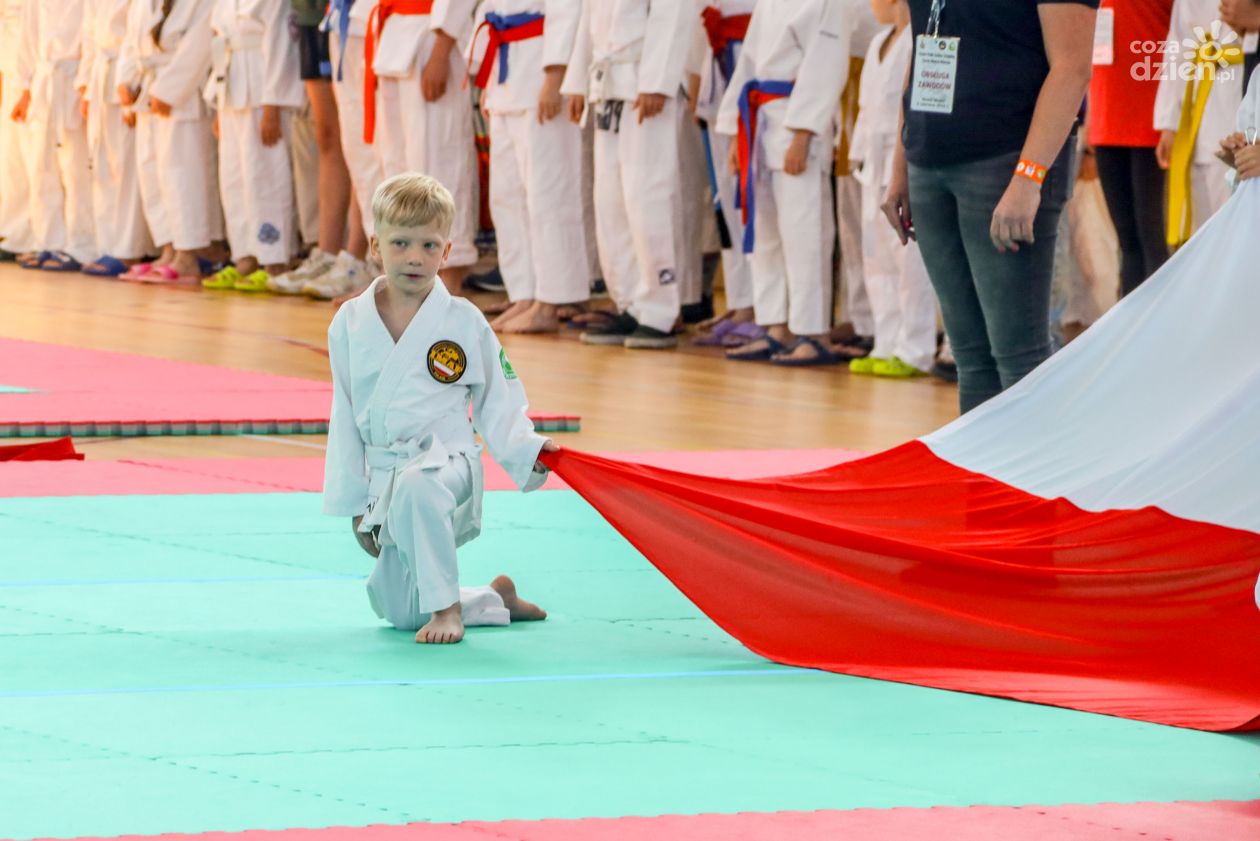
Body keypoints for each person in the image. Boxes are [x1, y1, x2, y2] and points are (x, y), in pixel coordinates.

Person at [323, 173, 553, 644]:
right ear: (376, 246)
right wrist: (355, 501)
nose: (415, 257)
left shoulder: (463, 320)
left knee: (419, 485)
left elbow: (498, 396)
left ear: (446, 252)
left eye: (429, 245)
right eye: (401, 243)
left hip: (449, 462)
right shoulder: (350, 322)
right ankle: (494, 597)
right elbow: (343, 414)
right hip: (387, 473)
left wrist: (526, 447)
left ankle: (447, 610)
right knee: (402, 612)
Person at [883, 0, 1097, 412]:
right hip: (929, 159)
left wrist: (1028, 177)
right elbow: (924, 45)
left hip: (1006, 161)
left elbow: (1072, 68)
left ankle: (1032, 457)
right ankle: (982, 458)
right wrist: (901, 163)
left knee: (1019, 356)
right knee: (969, 357)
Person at [715, 0, 852, 365]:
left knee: (805, 233)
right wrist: (735, 134)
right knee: (766, 235)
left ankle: (814, 332)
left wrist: (804, 132)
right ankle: (777, 326)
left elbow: (826, 66)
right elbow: (747, 64)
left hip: (797, 126)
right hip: (760, 123)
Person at [562, 0, 697, 350]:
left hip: (644, 84)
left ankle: (660, 308)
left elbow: (673, 13)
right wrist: (578, 82)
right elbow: (589, 16)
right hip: (607, 83)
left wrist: (657, 83)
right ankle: (630, 303)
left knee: (647, 197)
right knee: (610, 201)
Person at [471, 0, 591, 334]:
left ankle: (553, 298)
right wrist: (489, 78)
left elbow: (567, 9)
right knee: (506, 196)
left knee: (548, 194)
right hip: (507, 73)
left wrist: (555, 76)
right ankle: (524, 293)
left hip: (541, 73)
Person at [365, 0, 480, 297]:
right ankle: (402, 276)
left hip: (433, 35)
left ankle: (450, 276)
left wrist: (441, 49)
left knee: (441, 160)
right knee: (396, 165)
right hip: (394, 33)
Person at [849, 0, 937, 378]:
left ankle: (914, 348)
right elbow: (865, 109)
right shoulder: (878, 42)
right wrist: (856, 154)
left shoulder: (921, 40)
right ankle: (884, 342)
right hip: (871, 163)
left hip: (901, 159)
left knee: (908, 259)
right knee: (876, 257)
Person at [116, 0, 224, 284]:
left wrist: (168, 91)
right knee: (152, 174)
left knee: (182, 176)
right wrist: (125, 81)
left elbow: (199, 46)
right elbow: (131, 41)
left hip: (181, 96)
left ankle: (188, 254)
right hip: (147, 88)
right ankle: (168, 248)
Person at [200, 0, 304, 291]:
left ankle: (275, 259)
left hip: (262, 90)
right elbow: (220, 42)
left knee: (266, 175)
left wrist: (273, 103)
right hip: (232, 87)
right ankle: (245, 255)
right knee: (233, 179)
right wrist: (219, 103)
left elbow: (280, 42)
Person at [269, 0, 368, 296]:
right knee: (326, 135)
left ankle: (356, 257)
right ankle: (327, 252)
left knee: (358, 137)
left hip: (355, 15)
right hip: (314, 17)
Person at [1088, 0, 1171, 295]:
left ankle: (1163, 316)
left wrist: (1172, 120)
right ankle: (1132, 316)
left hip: (1154, 119)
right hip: (1106, 117)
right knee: (1126, 239)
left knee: (1152, 236)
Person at [1154, 0, 1248, 249]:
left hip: (1239, 89)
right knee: (1202, 230)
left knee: (1234, 221)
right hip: (1196, 111)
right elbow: (1177, 47)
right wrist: (1169, 123)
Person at [11, 0, 96, 272]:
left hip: (72, 82)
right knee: (42, 167)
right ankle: (47, 240)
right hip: (43, 83)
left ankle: (81, 245)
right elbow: (27, 42)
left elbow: (91, 39)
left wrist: (85, 86)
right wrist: (25, 89)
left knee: (75, 168)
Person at [78, 0, 156, 276]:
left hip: (127, 78)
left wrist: (128, 84)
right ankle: (108, 244)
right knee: (102, 165)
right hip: (101, 76)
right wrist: (85, 86)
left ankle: (129, 249)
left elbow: (136, 38)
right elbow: (89, 36)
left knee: (126, 169)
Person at [0, 0, 35, 262]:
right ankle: (11, 231)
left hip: (33, 77)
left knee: (32, 161)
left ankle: (29, 235)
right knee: (10, 160)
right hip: (11, 74)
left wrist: (27, 88)